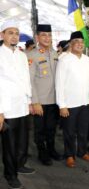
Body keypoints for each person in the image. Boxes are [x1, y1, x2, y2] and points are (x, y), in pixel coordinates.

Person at [0, 20, 35, 189]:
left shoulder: (21, 55)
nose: (14, 36)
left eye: (16, 33)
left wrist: (29, 102)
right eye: (10, 32)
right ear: (2, 35)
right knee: (10, 144)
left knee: (23, 140)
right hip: (7, 107)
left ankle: (20, 164)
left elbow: (26, 80)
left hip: (22, 105)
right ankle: (10, 174)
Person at [56, 31, 89, 168]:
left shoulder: (87, 60)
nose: (79, 44)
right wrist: (62, 105)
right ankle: (69, 155)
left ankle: (82, 152)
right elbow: (59, 83)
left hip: (84, 102)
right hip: (69, 104)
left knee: (83, 131)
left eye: (81, 42)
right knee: (69, 132)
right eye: (76, 42)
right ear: (71, 44)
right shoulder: (64, 60)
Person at [27, 24, 62, 166]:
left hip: (54, 100)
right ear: (37, 37)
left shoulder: (55, 54)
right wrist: (35, 102)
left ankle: (52, 149)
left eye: (49, 35)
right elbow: (29, 80)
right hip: (40, 101)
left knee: (51, 128)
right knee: (40, 130)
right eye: (43, 35)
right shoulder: (31, 55)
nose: (47, 38)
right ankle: (42, 153)